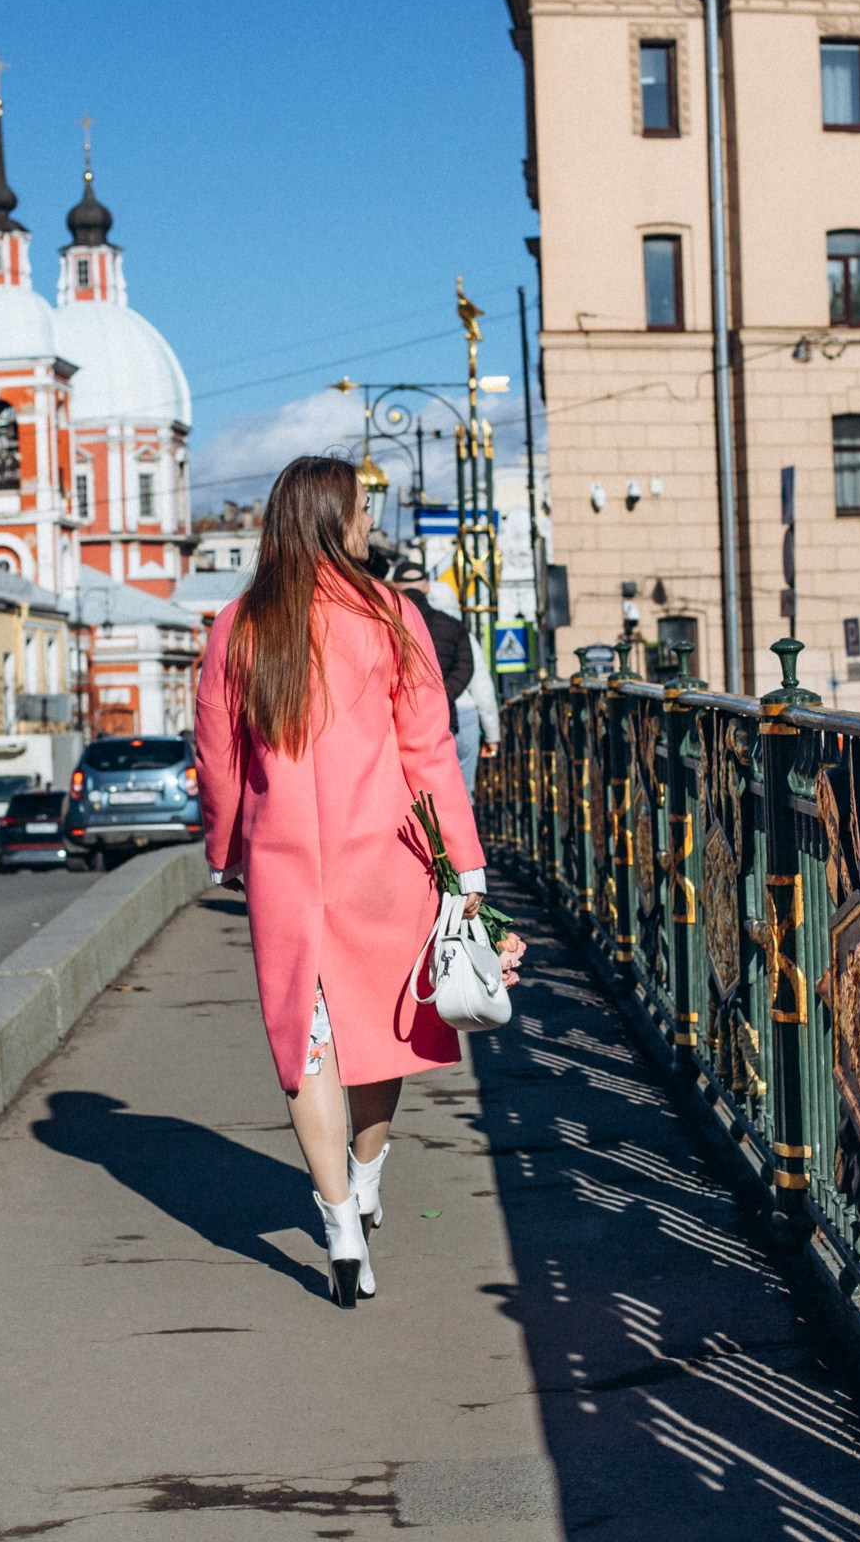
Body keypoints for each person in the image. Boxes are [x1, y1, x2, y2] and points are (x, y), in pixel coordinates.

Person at [195, 455, 526, 1309]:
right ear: (332, 519)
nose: (369, 522)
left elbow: (219, 762)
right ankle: (368, 1175)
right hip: (386, 858)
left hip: (283, 866)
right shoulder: (391, 615)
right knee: (381, 1024)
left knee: (308, 1043)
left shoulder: (238, 626)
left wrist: (227, 850)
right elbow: (428, 752)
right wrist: (469, 871)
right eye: (361, 509)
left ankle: (340, 1226)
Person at [389, 560, 498, 793]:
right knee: (460, 792)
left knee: (417, 793)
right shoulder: (454, 627)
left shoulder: (389, 624)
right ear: (426, 587)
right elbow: (475, 679)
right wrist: (493, 736)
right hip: (454, 718)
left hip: (406, 722)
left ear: (394, 586)